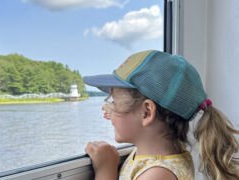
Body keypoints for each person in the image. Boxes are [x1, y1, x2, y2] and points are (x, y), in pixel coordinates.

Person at [83, 50, 239, 180]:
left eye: (114, 104)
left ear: (146, 112)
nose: (106, 111)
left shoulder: (157, 175)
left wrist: (105, 169)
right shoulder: (157, 155)